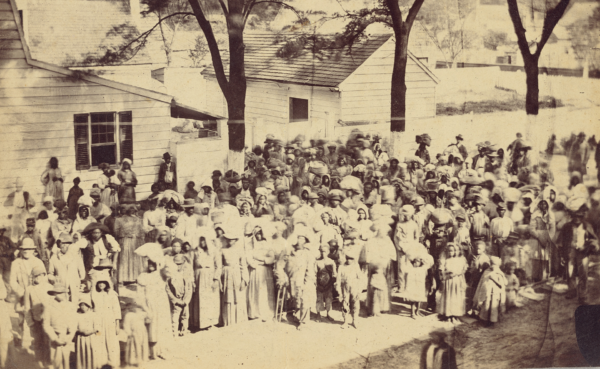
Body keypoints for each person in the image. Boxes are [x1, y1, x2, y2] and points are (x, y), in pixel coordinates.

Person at [557, 198, 598, 304]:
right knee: (570, 271)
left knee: (583, 273)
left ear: (582, 216)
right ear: (571, 215)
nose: (577, 218)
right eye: (575, 216)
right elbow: (560, 242)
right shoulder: (567, 226)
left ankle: (583, 295)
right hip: (570, 252)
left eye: (579, 216)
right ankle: (572, 291)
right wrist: (562, 255)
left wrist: (587, 246)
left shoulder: (586, 226)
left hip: (583, 253)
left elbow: (594, 240)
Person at [274, 229, 316, 331]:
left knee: (304, 300)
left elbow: (310, 270)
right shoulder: (287, 252)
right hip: (290, 280)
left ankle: (304, 322)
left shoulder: (308, 254)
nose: (300, 241)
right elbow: (279, 265)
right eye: (298, 239)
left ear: (305, 241)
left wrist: (308, 282)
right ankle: (293, 315)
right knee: (294, 300)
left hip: (303, 280)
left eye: (302, 239)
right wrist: (282, 277)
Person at [137, 259, 172, 360]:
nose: (151, 265)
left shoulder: (161, 274)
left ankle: (162, 350)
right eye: (149, 263)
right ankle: (152, 352)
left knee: (162, 327)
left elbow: (170, 272)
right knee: (152, 328)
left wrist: (162, 261)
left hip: (162, 304)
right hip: (149, 304)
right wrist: (144, 307)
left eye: (153, 263)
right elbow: (140, 294)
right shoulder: (142, 276)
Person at [189, 230, 221, 331]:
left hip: (210, 276)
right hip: (198, 276)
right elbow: (191, 266)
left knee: (211, 299)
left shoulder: (214, 251)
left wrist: (216, 279)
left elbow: (218, 266)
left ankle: (210, 322)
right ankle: (199, 323)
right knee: (200, 300)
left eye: (204, 240)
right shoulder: (195, 251)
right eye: (200, 240)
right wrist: (192, 280)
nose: (202, 242)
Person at [42, 283, 77, 369]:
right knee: (56, 361)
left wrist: (70, 336)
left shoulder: (71, 306)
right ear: (54, 294)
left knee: (66, 360)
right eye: (57, 293)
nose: (60, 295)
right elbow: (46, 324)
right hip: (55, 337)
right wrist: (54, 338)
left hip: (67, 337)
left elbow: (74, 322)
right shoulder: (49, 306)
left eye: (62, 292)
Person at [219, 225, 249, 326]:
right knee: (228, 297)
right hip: (227, 274)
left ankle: (238, 319)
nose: (229, 241)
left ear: (235, 240)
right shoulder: (223, 250)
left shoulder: (240, 250)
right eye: (228, 239)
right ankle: (228, 321)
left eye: (231, 239)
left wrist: (244, 279)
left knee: (238, 296)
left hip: (237, 274)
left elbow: (243, 265)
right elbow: (220, 264)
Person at [22, 264, 51, 365]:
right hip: (36, 321)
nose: (38, 278)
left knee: (48, 342)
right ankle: (39, 362)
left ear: (44, 276)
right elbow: (27, 307)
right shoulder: (29, 289)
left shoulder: (50, 287)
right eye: (36, 276)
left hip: (48, 320)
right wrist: (30, 322)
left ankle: (48, 361)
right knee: (38, 342)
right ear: (33, 277)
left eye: (41, 275)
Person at [247, 224, 276, 322]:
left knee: (264, 291)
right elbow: (249, 258)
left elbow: (271, 258)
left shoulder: (267, 244)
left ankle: (265, 312)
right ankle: (255, 313)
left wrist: (262, 260)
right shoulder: (250, 245)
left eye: (260, 233)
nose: (258, 235)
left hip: (265, 270)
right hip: (255, 270)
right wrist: (255, 262)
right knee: (255, 290)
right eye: (256, 234)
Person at [48, 232, 85, 304]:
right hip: (61, 286)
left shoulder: (76, 257)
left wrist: (78, 282)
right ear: (59, 245)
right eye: (62, 243)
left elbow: (82, 273)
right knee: (62, 306)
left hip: (74, 286)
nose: (65, 246)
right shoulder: (54, 258)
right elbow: (50, 273)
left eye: (68, 243)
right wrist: (54, 280)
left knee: (74, 305)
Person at [92, 278, 121, 368]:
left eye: (103, 283)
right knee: (99, 339)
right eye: (99, 283)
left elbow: (116, 309)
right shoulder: (94, 295)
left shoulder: (112, 295)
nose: (101, 285)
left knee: (111, 340)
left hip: (110, 320)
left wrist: (117, 325)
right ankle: (101, 363)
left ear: (106, 284)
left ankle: (113, 363)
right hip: (97, 321)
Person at [114, 204, 145, 287]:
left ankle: (135, 277)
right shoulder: (119, 220)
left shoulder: (138, 219)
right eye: (129, 209)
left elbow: (142, 231)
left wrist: (140, 240)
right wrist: (125, 234)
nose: (131, 211)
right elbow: (116, 231)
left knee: (135, 258)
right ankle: (123, 279)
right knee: (124, 259)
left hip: (136, 241)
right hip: (125, 241)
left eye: (133, 210)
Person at [437, 244, 468, 323]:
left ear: (456, 251)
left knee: (456, 297)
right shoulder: (446, 260)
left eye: (453, 251)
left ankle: (454, 315)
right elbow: (441, 271)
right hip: (448, 280)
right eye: (449, 251)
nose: (451, 252)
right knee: (448, 297)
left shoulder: (461, 259)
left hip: (457, 280)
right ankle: (448, 315)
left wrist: (457, 273)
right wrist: (447, 273)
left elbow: (464, 269)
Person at [74, 293, 106, 369]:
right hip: (81, 338)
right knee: (82, 354)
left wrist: (92, 332)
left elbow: (98, 329)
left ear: (89, 306)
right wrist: (80, 331)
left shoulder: (94, 315)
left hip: (92, 338)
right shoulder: (77, 315)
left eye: (85, 305)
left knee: (92, 354)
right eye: (81, 305)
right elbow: (73, 327)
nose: (83, 307)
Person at [473, 256, 506, 326]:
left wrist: (494, 279)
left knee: (493, 307)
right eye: (491, 264)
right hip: (486, 293)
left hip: (495, 293)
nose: (492, 266)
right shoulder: (486, 271)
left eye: (494, 265)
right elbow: (481, 282)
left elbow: (504, 284)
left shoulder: (499, 273)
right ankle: (484, 320)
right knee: (486, 306)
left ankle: (492, 321)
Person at [528, 199, 555, 282]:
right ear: (539, 205)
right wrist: (539, 237)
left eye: (545, 204)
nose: (543, 206)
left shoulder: (550, 215)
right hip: (536, 238)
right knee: (536, 258)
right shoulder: (535, 215)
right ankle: (535, 278)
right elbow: (531, 229)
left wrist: (549, 238)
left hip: (547, 238)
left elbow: (552, 228)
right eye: (542, 204)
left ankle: (544, 277)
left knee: (545, 257)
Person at [336, 245, 362, 329]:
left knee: (355, 304)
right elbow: (338, 280)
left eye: (351, 259)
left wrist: (359, 291)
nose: (349, 260)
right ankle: (345, 321)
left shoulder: (356, 266)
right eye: (347, 258)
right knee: (345, 304)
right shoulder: (341, 267)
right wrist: (339, 292)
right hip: (345, 288)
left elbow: (361, 279)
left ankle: (355, 321)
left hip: (354, 287)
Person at [166, 255, 193, 336]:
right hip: (176, 300)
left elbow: (189, 288)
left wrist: (186, 300)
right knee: (175, 317)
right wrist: (175, 300)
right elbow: (168, 289)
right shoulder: (170, 275)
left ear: (184, 263)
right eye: (176, 264)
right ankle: (174, 332)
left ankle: (184, 330)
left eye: (180, 264)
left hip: (184, 299)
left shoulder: (186, 274)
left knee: (185, 316)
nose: (178, 266)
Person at [404, 251, 434, 319]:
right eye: (414, 262)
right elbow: (408, 279)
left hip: (419, 286)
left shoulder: (422, 269)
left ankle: (417, 311)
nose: (415, 263)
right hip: (413, 286)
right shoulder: (411, 269)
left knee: (419, 300)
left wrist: (422, 259)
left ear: (420, 263)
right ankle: (412, 313)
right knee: (413, 300)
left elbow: (427, 264)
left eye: (417, 262)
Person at [122, 299, 150, 367]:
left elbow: (150, 315)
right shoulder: (128, 315)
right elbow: (126, 325)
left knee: (142, 346)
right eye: (133, 307)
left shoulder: (141, 314)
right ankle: (134, 361)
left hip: (142, 332)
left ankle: (142, 360)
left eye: (137, 307)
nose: (135, 308)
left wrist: (144, 307)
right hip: (133, 333)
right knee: (134, 347)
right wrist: (129, 332)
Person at [315, 243, 336, 322]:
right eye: (321, 251)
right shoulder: (317, 262)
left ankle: (328, 313)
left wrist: (329, 285)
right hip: (319, 285)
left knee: (328, 299)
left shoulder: (331, 262)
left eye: (324, 251)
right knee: (318, 299)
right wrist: (318, 285)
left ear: (328, 252)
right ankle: (318, 314)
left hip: (328, 284)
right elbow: (315, 274)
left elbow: (334, 275)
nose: (322, 253)